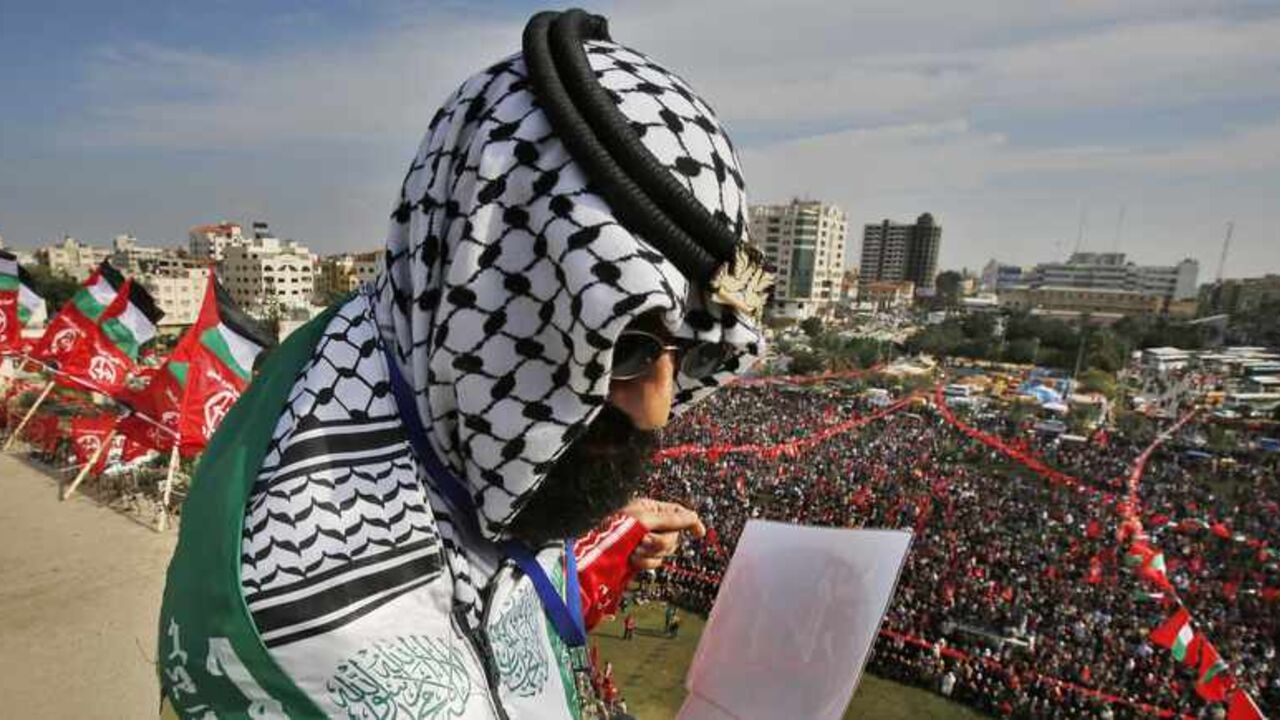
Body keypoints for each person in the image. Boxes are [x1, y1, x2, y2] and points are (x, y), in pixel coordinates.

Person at [156, 8, 769, 719]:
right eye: (624, 346)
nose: (659, 407)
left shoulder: (387, 344)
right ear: (498, 299)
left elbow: (476, 555)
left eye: (691, 345)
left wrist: (604, 544)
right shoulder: (369, 671)